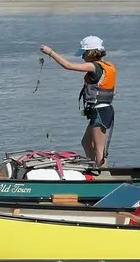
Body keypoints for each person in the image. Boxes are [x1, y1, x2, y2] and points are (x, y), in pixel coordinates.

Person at [39, 35, 117, 166]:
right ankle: (94, 169)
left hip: (100, 112)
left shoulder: (94, 67)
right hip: (101, 110)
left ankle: (104, 175)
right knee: (86, 142)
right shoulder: (109, 66)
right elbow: (113, 91)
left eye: (84, 54)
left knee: (99, 149)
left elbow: (68, 65)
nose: (82, 57)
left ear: (91, 53)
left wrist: (50, 52)